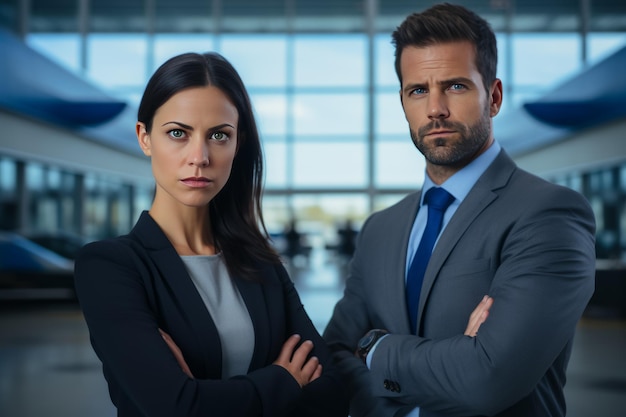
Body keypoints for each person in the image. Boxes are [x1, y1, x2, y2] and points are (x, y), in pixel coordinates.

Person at [322, 3, 596, 417]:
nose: (435, 109)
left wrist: (374, 347)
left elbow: (487, 379)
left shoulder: (549, 214)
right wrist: (455, 358)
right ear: (403, 101)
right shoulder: (381, 228)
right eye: (418, 91)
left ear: (495, 96)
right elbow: (333, 361)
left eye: (455, 86)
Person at [74, 52, 348, 417]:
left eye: (219, 135)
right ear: (145, 138)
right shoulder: (110, 266)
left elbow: (332, 394)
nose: (200, 156)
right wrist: (283, 380)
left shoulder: (259, 262)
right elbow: (178, 407)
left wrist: (208, 395)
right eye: (177, 133)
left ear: (238, 143)